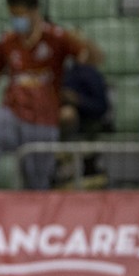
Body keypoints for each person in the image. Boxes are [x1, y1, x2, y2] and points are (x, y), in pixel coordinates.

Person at [0, 0, 103, 190]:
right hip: (11, 113)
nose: (16, 20)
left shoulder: (57, 37)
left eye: (20, 15)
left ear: (35, 12)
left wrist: (82, 41)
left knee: (37, 182)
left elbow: (95, 59)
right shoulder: (7, 41)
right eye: (13, 15)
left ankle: (36, 214)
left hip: (43, 119)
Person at [54, 57, 111, 188]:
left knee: (68, 114)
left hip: (86, 127)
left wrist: (77, 99)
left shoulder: (88, 73)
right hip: (50, 131)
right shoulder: (48, 73)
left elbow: (101, 107)